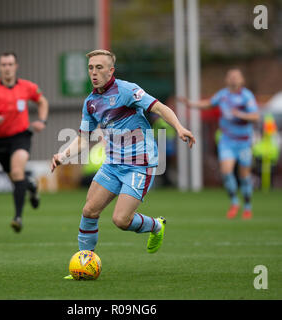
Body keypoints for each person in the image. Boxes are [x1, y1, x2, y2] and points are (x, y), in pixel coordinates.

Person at [51, 49, 195, 279]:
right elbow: (84, 137)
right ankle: (84, 263)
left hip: (140, 163)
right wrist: (62, 155)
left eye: (99, 67)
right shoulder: (90, 103)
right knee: (89, 210)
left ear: (111, 70)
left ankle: (156, 226)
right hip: (113, 164)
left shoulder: (127, 90)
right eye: (91, 68)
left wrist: (179, 128)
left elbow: (159, 108)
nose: (94, 72)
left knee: (121, 220)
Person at [0, 51, 49, 232]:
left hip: (21, 137)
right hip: (0, 141)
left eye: (10, 64)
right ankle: (31, 186)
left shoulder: (26, 86)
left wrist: (42, 120)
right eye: (4, 65)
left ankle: (17, 217)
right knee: (16, 179)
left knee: (17, 172)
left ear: (16, 67)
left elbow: (42, 101)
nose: (7, 68)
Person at [179, 68, 259, 219]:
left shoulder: (246, 96)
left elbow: (255, 116)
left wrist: (240, 114)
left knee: (244, 176)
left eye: (236, 76)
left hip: (244, 142)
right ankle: (235, 202)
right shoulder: (223, 95)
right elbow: (208, 103)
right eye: (230, 76)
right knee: (226, 171)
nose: (233, 79)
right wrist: (190, 104)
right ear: (227, 80)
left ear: (241, 80)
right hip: (227, 141)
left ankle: (247, 205)